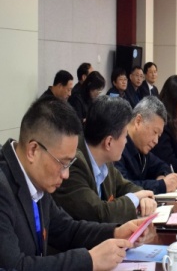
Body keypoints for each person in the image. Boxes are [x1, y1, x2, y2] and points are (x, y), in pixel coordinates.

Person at [0, 99, 142, 270]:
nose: (66, 174)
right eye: (63, 163)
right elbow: (14, 266)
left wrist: (115, 232)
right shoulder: (3, 188)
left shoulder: (36, 179)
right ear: (33, 150)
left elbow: (67, 229)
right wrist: (90, 260)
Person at [53, 96, 157, 224]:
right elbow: (98, 214)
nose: (126, 142)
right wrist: (135, 199)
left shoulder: (105, 161)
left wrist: (142, 196)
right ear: (108, 142)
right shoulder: (73, 163)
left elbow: (125, 186)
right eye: (125, 136)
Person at [115, 96, 177, 195]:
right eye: (154, 132)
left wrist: (162, 176)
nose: (156, 141)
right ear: (138, 121)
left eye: (158, 136)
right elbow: (122, 187)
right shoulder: (117, 147)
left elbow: (162, 166)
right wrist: (161, 185)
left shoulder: (142, 149)